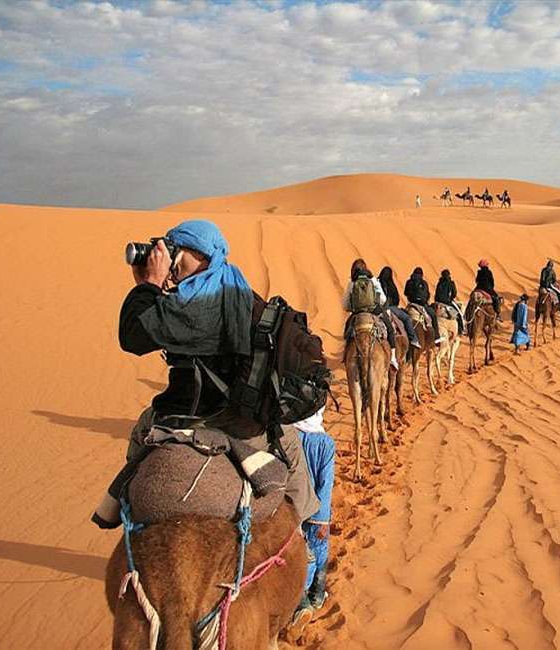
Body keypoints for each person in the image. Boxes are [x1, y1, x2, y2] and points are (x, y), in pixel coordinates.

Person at [100, 220, 319, 528]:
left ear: (201, 256)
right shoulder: (242, 293)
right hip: (246, 424)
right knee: (293, 454)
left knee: (142, 430)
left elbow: (133, 334)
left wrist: (147, 286)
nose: (170, 260)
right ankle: (308, 532)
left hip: (186, 419)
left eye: (177, 251)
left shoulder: (191, 305)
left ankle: (120, 504)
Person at [291, 407, 335, 629]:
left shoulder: (289, 436)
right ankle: (311, 598)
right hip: (317, 509)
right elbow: (326, 484)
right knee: (318, 551)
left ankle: (303, 599)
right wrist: (323, 518)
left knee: (299, 551)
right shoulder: (326, 444)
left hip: (295, 507)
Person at [342, 259, 399, 368]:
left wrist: (353, 308)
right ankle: (392, 359)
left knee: (347, 333)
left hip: (357, 313)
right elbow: (382, 299)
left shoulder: (352, 283)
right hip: (375, 311)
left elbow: (345, 305)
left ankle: (346, 357)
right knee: (390, 329)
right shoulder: (373, 280)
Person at [377, 266, 420, 349]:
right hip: (390, 307)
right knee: (407, 318)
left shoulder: (376, 283)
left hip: (377, 308)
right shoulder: (391, 284)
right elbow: (396, 298)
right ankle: (413, 339)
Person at [404, 267, 441, 344]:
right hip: (423, 305)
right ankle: (437, 338)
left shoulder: (409, 282)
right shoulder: (424, 283)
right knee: (433, 316)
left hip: (412, 304)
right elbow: (427, 295)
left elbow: (405, 293)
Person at [434, 269, 464, 334]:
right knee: (458, 314)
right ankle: (461, 329)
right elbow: (454, 293)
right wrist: (450, 298)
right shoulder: (451, 283)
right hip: (448, 303)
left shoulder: (439, 283)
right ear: (449, 275)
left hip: (438, 303)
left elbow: (436, 294)